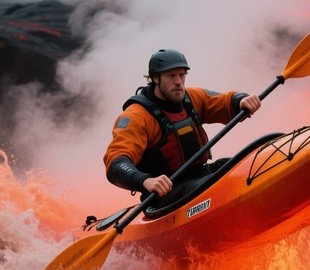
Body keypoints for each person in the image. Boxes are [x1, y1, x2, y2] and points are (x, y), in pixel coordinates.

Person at [104, 48, 261, 198]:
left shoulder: (191, 97)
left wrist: (241, 100)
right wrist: (145, 180)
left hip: (200, 174)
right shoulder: (136, 116)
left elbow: (225, 102)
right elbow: (116, 161)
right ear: (155, 78)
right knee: (221, 182)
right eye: (172, 76)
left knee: (247, 163)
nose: (179, 82)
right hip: (167, 192)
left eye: (182, 75)